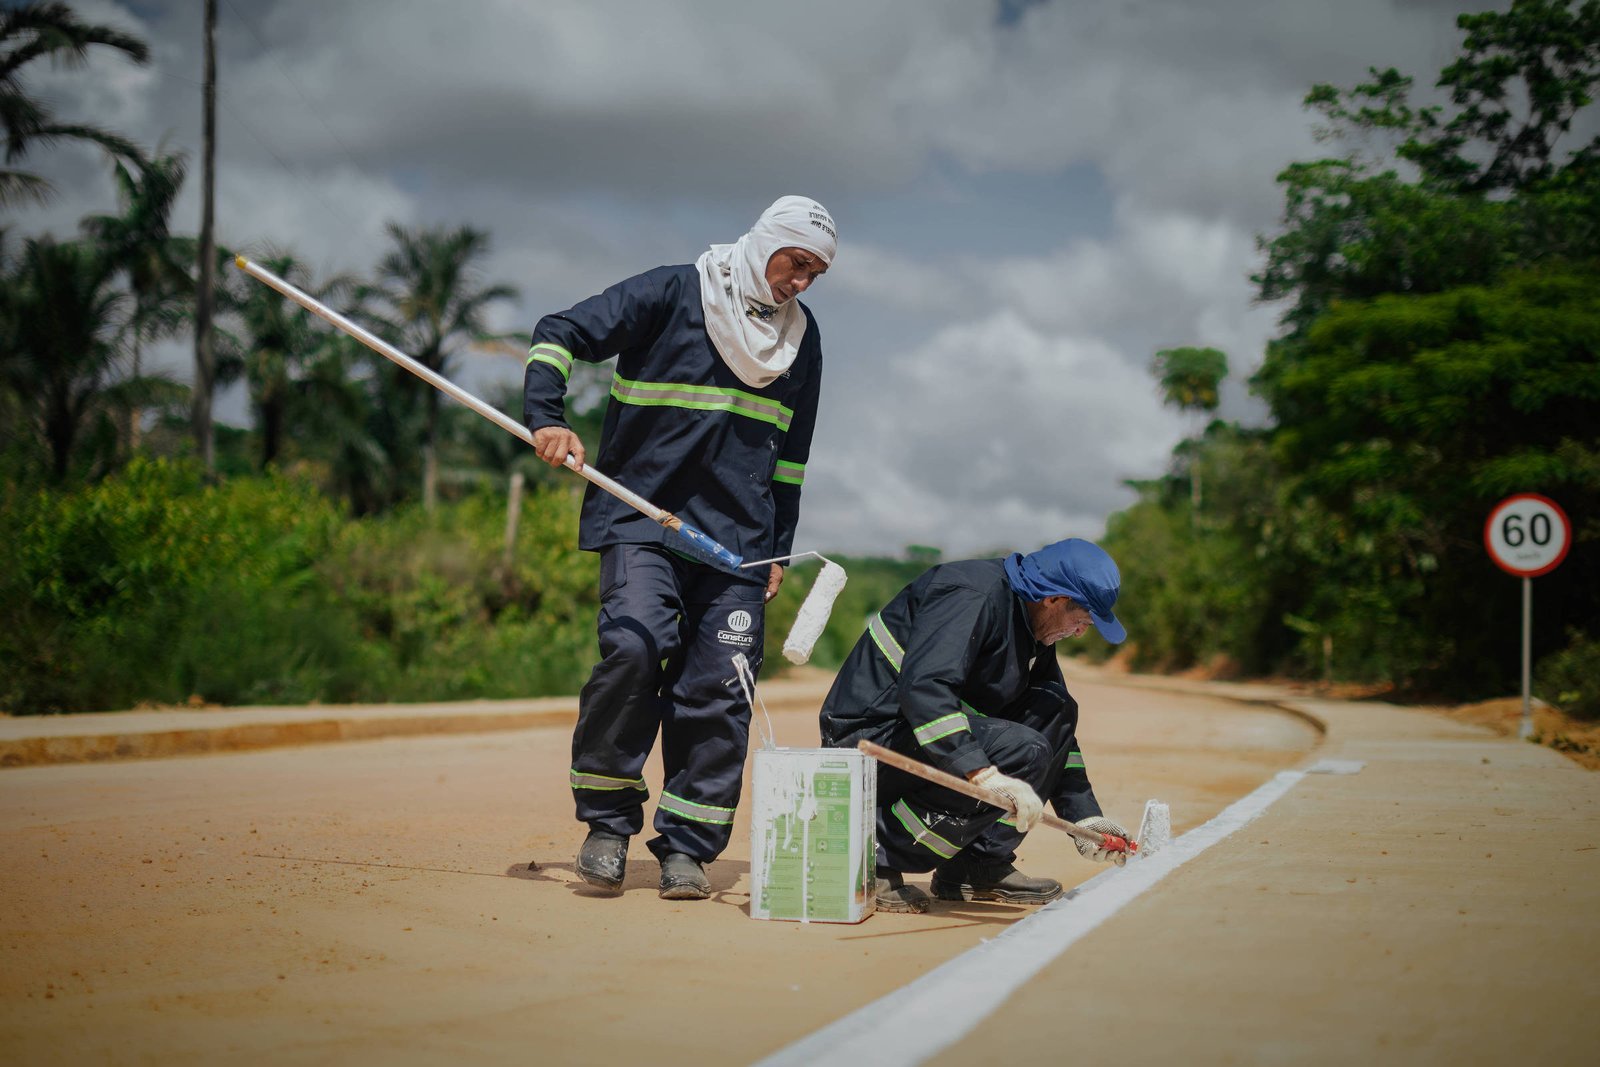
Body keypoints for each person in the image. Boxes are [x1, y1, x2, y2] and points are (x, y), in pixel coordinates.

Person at [523, 196, 837, 901]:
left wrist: (777, 551)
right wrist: (546, 417)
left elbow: (791, 459)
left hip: (737, 548)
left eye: (817, 272)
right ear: (766, 244)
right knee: (635, 646)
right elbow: (558, 332)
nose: (802, 282)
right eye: (797, 263)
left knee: (722, 689)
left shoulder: (801, 342)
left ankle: (688, 844)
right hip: (641, 520)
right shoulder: (672, 291)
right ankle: (607, 826)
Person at [819, 538, 1133, 913]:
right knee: (1022, 748)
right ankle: (873, 853)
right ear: (1053, 599)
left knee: (1057, 707)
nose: (1080, 632)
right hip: (870, 740)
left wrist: (1085, 819)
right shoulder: (970, 594)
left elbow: (1057, 729)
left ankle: (975, 865)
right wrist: (980, 773)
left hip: (914, 735)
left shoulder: (1031, 623)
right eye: (1081, 620)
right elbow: (924, 688)